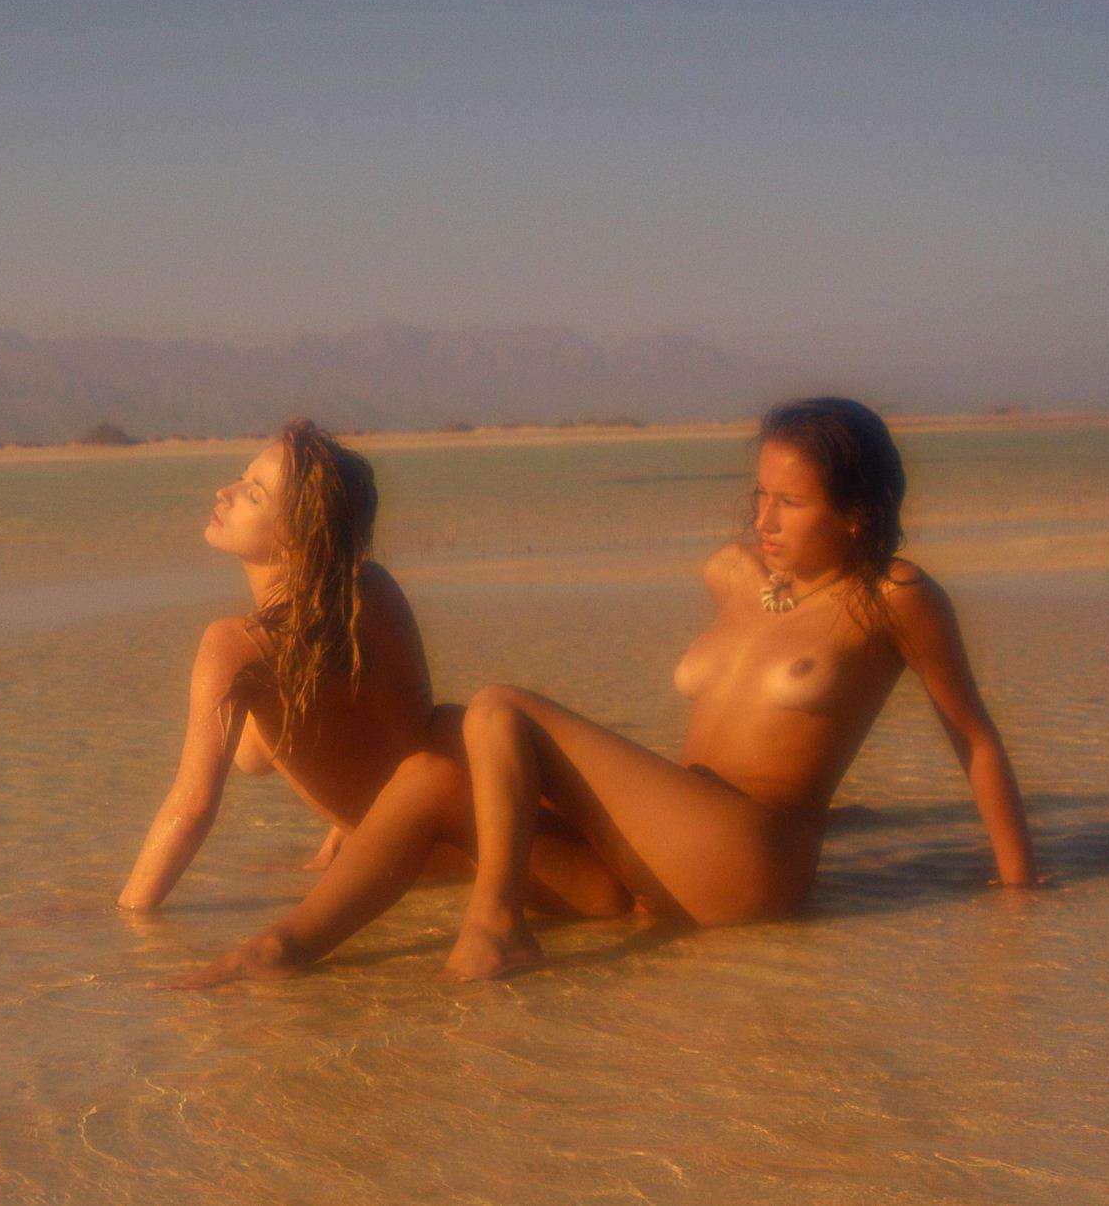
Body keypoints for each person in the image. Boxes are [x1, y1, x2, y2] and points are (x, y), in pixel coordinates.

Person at [168, 396, 1040, 986]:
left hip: (753, 865)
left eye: (792, 503)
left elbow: (974, 739)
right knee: (437, 767)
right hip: (659, 864)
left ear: (856, 512)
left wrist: (1018, 895)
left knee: (500, 707)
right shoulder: (733, 575)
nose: (763, 519)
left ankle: (497, 924)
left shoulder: (893, 597)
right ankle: (285, 947)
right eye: (759, 495)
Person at [116, 419, 445, 912]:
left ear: (298, 536)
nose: (224, 493)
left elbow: (192, 807)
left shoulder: (235, 645)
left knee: (250, 738)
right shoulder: (372, 590)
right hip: (451, 829)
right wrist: (344, 829)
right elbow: (400, 727)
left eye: (253, 495)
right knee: (254, 742)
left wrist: (127, 918)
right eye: (242, 478)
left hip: (414, 865)